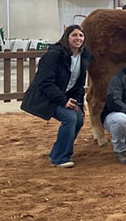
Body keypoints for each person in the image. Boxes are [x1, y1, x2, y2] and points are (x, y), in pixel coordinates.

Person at [21, 25, 92, 168]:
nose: (78, 38)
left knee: (78, 119)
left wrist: (78, 104)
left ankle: (57, 153)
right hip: (46, 97)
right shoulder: (54, 54)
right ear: (67, 37)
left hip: (64, 96)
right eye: (74, 35)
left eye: (81, 36)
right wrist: (63, 101)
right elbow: (44, 82)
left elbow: (78, 84)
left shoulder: (84, 56)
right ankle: (60, 158)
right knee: (70, 118)